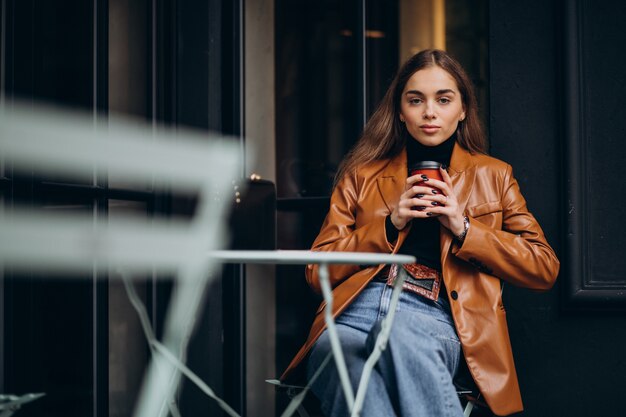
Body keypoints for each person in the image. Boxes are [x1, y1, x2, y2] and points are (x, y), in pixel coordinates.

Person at [280, 49, 559, 417]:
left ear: (462, 110)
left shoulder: (493, 176)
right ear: (400, 111)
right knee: (336, 352)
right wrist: (389, 224)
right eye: (416, 100)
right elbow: (317, 273)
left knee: (396, 333)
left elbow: (543, 267)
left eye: (444, 100)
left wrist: (464, 228)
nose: (430, 112)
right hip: (354, 311)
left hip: (434, 315)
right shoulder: (361, 175)